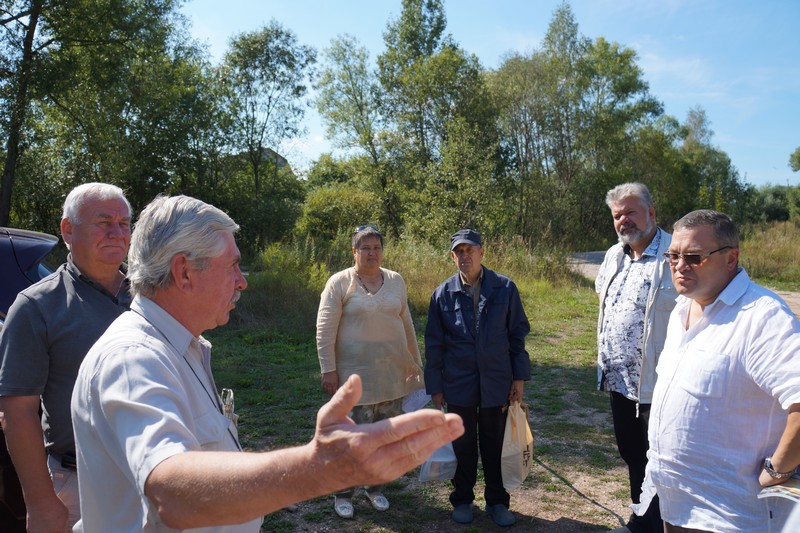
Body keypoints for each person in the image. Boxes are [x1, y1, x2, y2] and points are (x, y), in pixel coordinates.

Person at [70, 195, 463, 532]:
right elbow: (170, 493)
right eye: (232, 266)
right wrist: (319, 468)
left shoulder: (181, 347)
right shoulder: (133, 359)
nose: (242, 281)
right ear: (184, 272)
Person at [634, 209, 800, 532]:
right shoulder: (682, 308)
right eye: (673, 256)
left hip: (732, 516)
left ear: (730, 258)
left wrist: (778, 469)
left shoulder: (762, 317)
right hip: (677, 506)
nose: (679, 266)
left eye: (694, 257)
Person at [0, 182, 132, 532]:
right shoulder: (36, 307)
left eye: (124, 223)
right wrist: (41, 502)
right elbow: (17, 411)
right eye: (103, 222)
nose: (117, 232)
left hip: (154, 475)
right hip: (80, 485)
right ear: (68, 230)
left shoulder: (151, 296)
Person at [316, 224, 425, 519]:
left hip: (391, 375)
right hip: (354, 378)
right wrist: (328, 369)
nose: (372, 253)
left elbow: (407, 326)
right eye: (365, 248)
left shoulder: (396, 281)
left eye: (376, 247)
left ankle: (374, 488)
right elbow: (325, 329)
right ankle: (343, 493)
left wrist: (415, 365)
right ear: (354, 251)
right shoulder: (339, 283)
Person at [424, 228, 531, 527]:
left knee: (495, 444)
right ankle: (462, 499)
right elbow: (434, 345)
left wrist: (519, 378)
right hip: (458, 382)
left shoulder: (505, 288)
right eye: (459, 251)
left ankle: (497, 501)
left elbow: (517, 335)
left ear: (482, 252)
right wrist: (436, 387)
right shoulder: (442, 294)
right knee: (463, 444)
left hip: (497, 380)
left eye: (470, 250)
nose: (465, 256)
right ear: (452, 256)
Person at [595, 183, 676, 533]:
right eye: (618, 215)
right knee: (632, 453)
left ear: (651, 213)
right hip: (620, 381)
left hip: (659, 383)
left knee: (663, 461)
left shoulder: (675, 254)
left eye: (630, 212)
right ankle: (642, 523)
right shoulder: (614, 254)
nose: (624, 220)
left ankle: (665, 526)